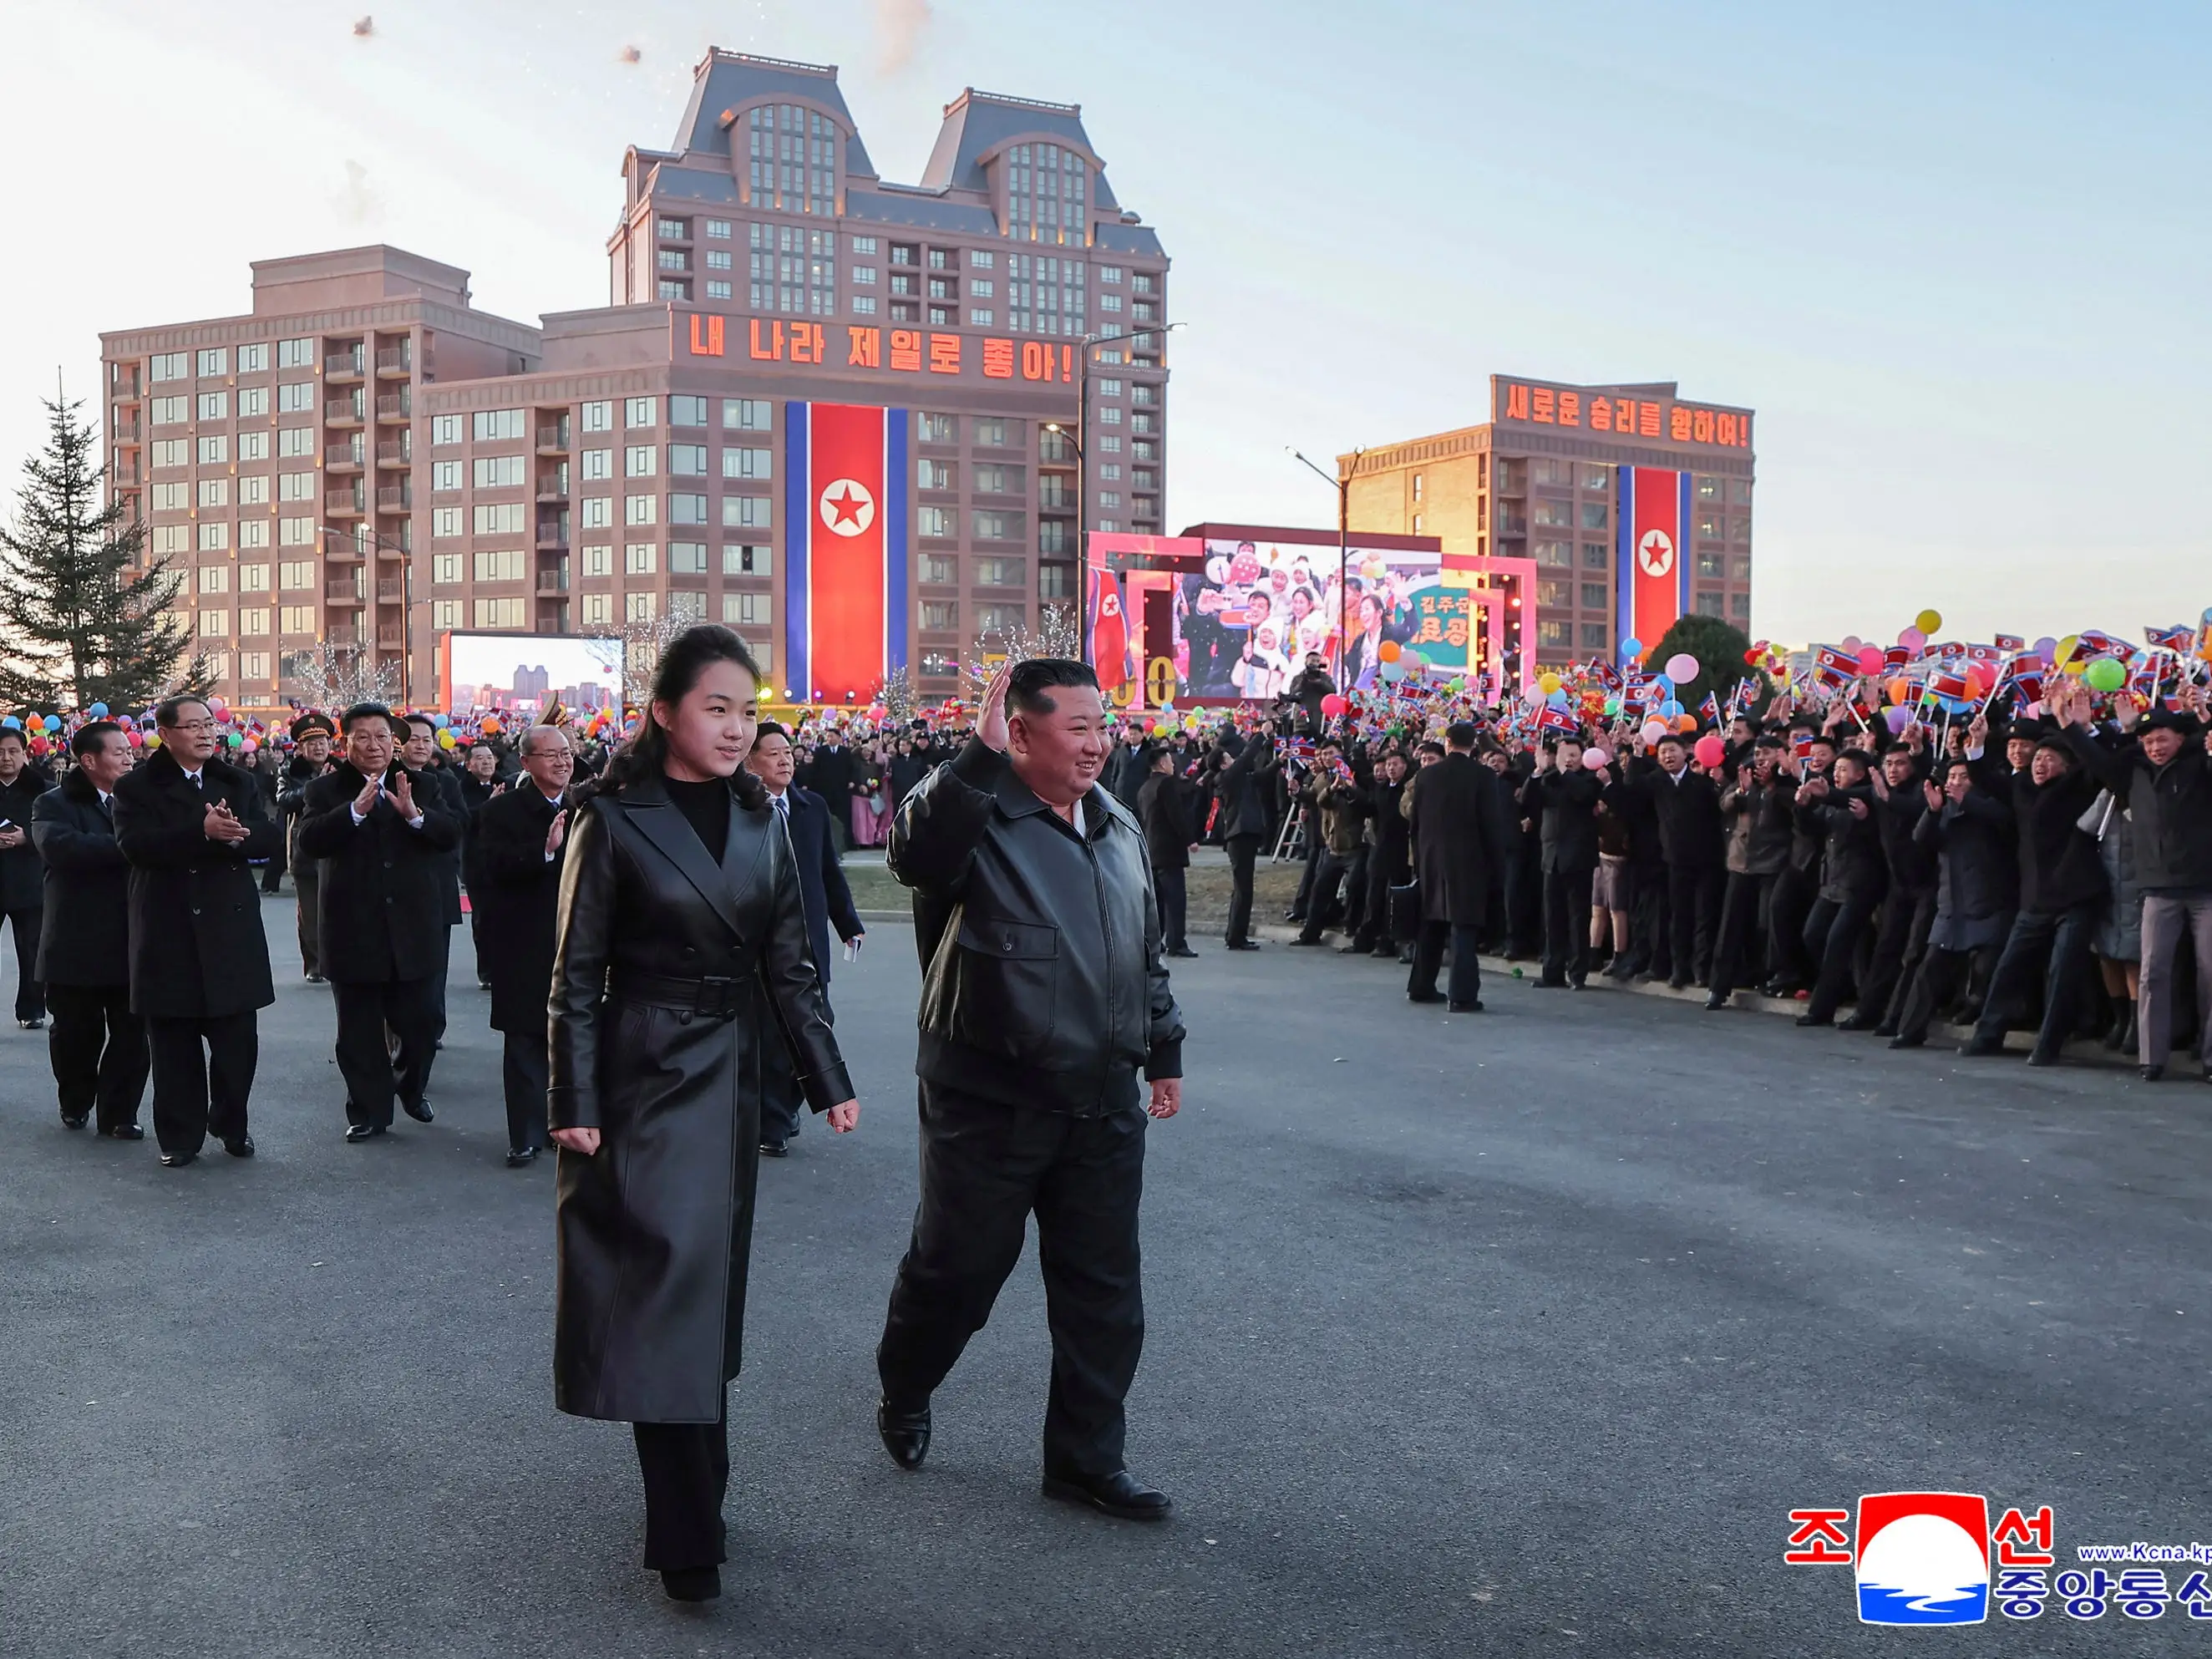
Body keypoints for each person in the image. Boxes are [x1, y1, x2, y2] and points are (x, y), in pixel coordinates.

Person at [547, 625, 858, 1604]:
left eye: (746, 709)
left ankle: (702, 1498)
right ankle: (686, 1534)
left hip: (727, 1080)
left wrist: (827, 1078)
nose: (734, 728)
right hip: (639, 1081)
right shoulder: (613, 818)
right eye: (715, 708)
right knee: (664, 1299)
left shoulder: (763, 817)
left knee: (707, 1296)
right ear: (663, 713)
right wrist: (574, 1099)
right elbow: (573, 978)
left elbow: (790, 965)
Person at [876, 658, 1185, 1523]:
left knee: (1103, 1292)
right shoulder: (972, 817)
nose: (1097, 743)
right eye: (1076, 727)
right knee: (956, 1274)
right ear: (1019, 732)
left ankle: (1085, 1461)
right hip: (989, 1099)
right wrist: (972, 760)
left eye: (1101, 725)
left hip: (1100, 1100)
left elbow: (1140, 951)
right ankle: (905, 1386)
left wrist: (1162, 1045)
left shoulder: (1115, 823)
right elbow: (913, 852)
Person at [113, 695, 281, 1166]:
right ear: (165, 734)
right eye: (193, 726)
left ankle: (231, 1122)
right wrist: (201, 832)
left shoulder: (237, 779)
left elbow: (267, 836)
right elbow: (135, 847)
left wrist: (235, 833)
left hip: (229, 928)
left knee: (237, 1046)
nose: (206, 733)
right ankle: (180, 1138)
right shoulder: (136, 787)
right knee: (173, 1045)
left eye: (209, 724)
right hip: (168, 927)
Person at [297, 704, 463, 1141]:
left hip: (414, 924)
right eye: (363, 737)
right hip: (354, 926)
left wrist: (415, 816)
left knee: (422, 1023)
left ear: (396, 743)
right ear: (344, 743)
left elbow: (451, 835)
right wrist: (352, 811)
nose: (374, 745)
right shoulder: (325, 790)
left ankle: (410, 1086)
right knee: (359, 1030)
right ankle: (370, 1111)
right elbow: (311, 842)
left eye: (383, 736)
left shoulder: (426, 784)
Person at [2054, 682, 2212, 1081]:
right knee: (2151, 973)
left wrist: (2205, 717)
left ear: (2181, 738)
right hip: (2157, 890)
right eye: (2148, 741)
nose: (2155, 747)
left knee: (2210, 974)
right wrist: (2072, 728)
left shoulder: (2200, 766)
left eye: (2163, 739)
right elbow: (2096, 759)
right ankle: (2151, 1057)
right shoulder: (2133, 774)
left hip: (2205, 889)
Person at [743, 720, 864, 1158]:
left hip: (810, 941)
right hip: (759, 944)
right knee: (770, 1035)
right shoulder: (742, 809)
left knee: (814, 1022)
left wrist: (847, 923)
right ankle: (771, 1121)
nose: (784, 759)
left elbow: (829, 873)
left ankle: (785, 1107)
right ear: (750, 760)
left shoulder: (812, 808)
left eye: (788, 751)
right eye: (772, 752)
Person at [30, 720, 148, 1137]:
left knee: (133, 1034)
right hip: (75, 939)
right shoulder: (53, 803)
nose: (128, 757)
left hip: (135, 935)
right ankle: (76, 1100)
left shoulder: (142, 801)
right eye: (118, 752)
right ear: (89, 760)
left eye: (129, 750)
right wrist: (134, 846)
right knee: (76, 1035)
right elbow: (62, 848)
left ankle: (119, 1114)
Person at [1961, 732, 2103, 1065]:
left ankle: (2049, 1044)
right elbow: (1985, 778)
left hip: (2076, 896)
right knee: (2008, 969)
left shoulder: (2080, 787)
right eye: (2038, 758)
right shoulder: (2022, 788)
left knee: (2062, 971)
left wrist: (2080, 727)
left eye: (2050, 759)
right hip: (2034, 900)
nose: (2041, 764)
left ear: (2067, 766)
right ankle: (1988, 1036)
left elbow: (2099, 763)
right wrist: (1978, 743)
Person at [469, 723, 575, 1167]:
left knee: (573, 1037)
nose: (562, 761)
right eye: (550, 755)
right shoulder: (501, 811)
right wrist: (544, 851)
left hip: (579, 938)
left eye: (566, 752)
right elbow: (489, 867)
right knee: (526, 1039)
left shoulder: (588, 807)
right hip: (523, 939)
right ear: (527, 763)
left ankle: (567, 1124)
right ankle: (526, 1134)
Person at [1407, 721, 1509, 1012]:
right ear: (1474, 744)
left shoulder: (1427, 776)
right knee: (1463, 926)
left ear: (1448, 742)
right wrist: (1496, 865)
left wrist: (1419, 858)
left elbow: (1415, 823)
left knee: (1430, 924)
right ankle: (1462, 995)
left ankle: (1421, 986)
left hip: (1430, 859)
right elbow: (1490, 824)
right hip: (1468, 861)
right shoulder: (1483, 776)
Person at [1523, 736, 1605, 989]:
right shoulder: (1548, 779)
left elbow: (1583, 796)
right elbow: (1528, 801)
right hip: (1551, 856)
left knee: (1578, 917)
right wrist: (1537, 771)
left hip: (1578, 857)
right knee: (1553, 917)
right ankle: (1552, 971)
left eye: (1573, 755)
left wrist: (1562, 771)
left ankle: (1578, 973)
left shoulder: (1588, 780)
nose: (1568, 760)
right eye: (1563, 755)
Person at [401, 714, 467, 1018]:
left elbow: (460, 823)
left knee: (435, 964)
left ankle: (432, 1024)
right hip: (398, 885)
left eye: (427, 739)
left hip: (437, 881)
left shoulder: (446, 780)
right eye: (413, 739)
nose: (421, 745)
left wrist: (420, 817)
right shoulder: (385, 778)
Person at [0, 724, 53, 1029]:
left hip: (29, 880)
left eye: (12, 751)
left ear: (24, 754)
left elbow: (55, 830)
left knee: (32, 949)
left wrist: (27, 838)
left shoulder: (44, 790)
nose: (6, 758)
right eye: (0, 752)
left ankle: (32, 1009)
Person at [278, 714, 335, 982]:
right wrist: (314, 787)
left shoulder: (341, 768)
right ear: (301, 748)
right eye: (311, 743)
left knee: (340, 910)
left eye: (323, 742)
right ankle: (314, 963)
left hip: (337, 846)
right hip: (304, 849)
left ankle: (338, 961)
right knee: (310, 912)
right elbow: (285, 801)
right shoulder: (290, 772)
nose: (319, 748)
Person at [1213, 729, 1276, 950]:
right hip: (1239, 836)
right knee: (1243, 888)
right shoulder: (1227, 778)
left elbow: (1262, 775)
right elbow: (1247, 757)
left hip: (1245, 835)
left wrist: (1280, 762)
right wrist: (1261, 735)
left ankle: (1235, 934)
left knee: (1243, 888)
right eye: (1229, 758)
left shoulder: (1239, 779)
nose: (1234, 759)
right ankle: (1236, 937)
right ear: (1222, 765)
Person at [1137, 746, 1200, 958]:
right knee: (1175, 901)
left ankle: (1155, 941)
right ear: (1163, 764)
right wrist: (1189, 839)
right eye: (1171, 762)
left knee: (1158, 903)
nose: (1173, 765)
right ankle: (1176, 942)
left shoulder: (1145, 788)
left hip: (1152, 849)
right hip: (1169, 850)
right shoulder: (1167, 784)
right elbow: (1176, 814)